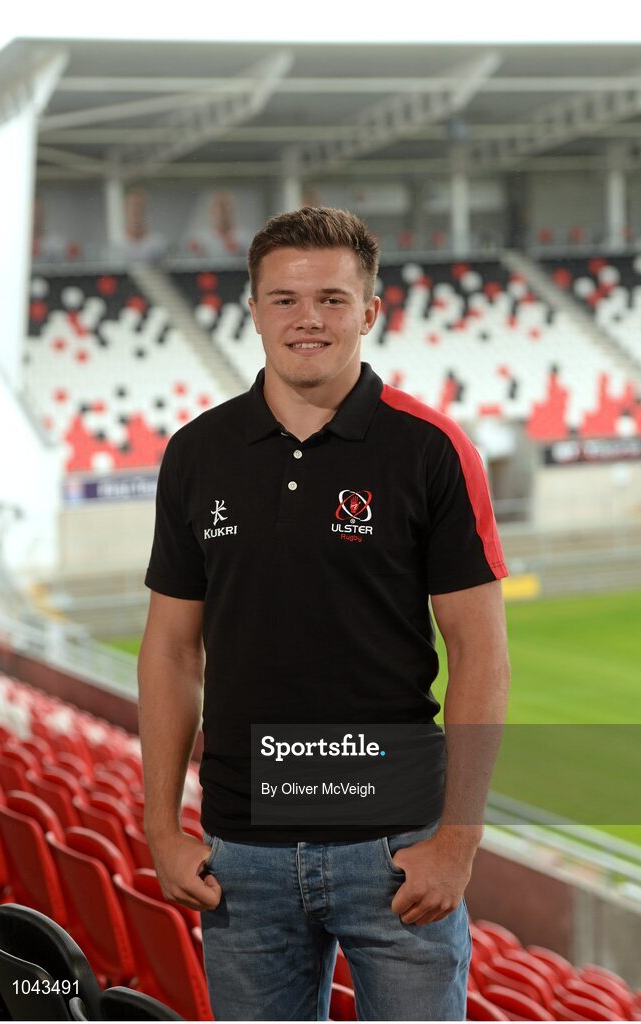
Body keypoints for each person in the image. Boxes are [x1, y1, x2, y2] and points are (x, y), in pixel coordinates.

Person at [139, 206, 511, 1021]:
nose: (308, 318)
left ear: (371, 311)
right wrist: (161, 827)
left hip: (397, 855)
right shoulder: (197, 453)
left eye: (334, 300)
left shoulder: (434, 449)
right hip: (242, 857)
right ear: (253, 309)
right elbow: (170, 651)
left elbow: (479, 653)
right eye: (284, 299)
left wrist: (458, 841)